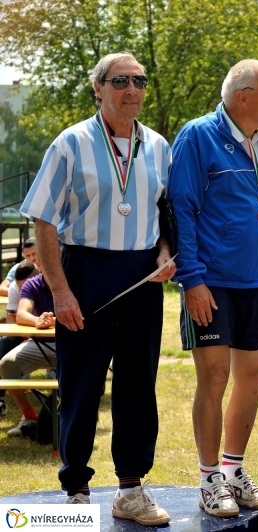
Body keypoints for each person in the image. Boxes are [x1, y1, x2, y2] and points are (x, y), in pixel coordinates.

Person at [20, 52, 174, 524]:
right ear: (99, 88)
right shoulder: (71, 143)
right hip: (85, 273)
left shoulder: (160, 146)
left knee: (137, 386)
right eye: (121, 80)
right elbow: (43, 218)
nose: (132, 89)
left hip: (143, 278)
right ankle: (77, 493)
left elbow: (166, 211)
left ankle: (130, 488)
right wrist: (62, 292)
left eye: (140, 80)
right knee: (81, 386)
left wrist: (166, 251)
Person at [169, 59, 258, 516]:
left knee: (253, 376)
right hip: (213, 282)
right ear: (243, 96)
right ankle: (208, 481)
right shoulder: (197, 135)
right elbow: (181, 211)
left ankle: (232, 471)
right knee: (215, 376)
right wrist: (193, 280)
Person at [0, 268, 56, 437]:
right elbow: (21, 315)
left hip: (72, 344)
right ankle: (30, 417)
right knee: (6, 365)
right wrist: (38, 320)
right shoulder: (32, 283)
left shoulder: (75, 279)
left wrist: (56, 320)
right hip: (39, 341)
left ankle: (67, 422)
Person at [0, 259, 40, 417]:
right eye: (20, 287)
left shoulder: (45, 286)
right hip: (23, 334)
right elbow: (12, 322)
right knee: (4, 343)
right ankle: (1, 399)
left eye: (25, 286)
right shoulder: (15, 288)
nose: (23, 290)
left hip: (47, 339)